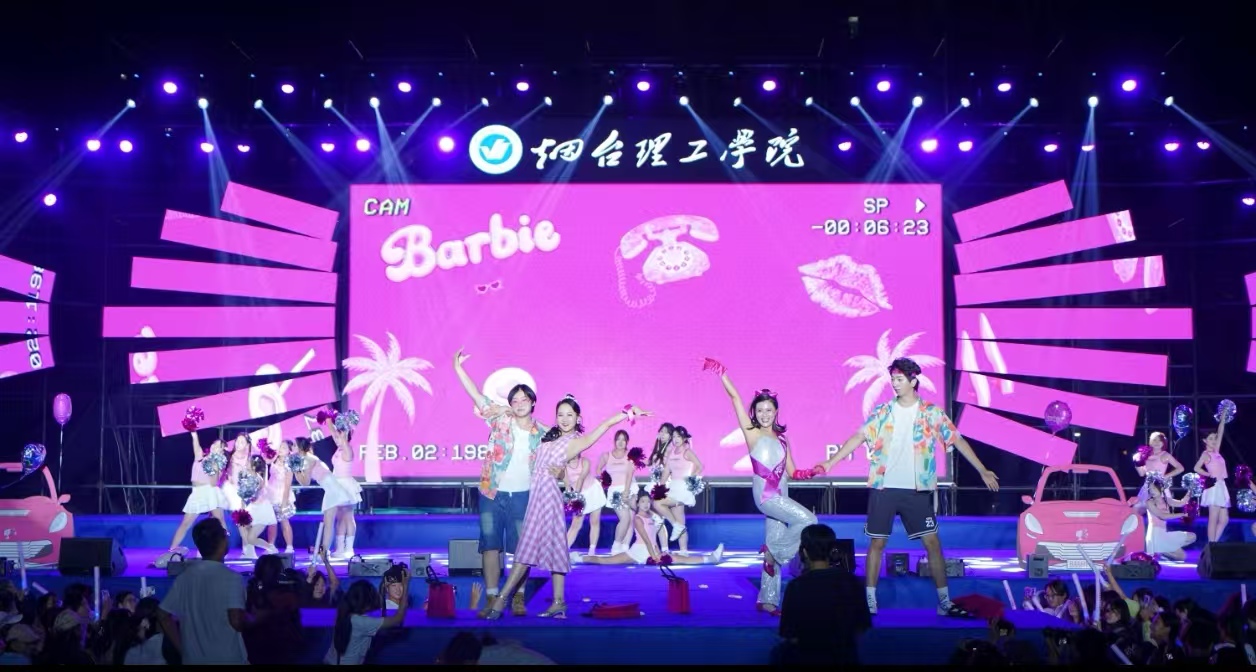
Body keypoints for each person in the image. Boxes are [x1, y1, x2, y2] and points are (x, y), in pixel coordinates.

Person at [817, 357, 1000, 617]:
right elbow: (859, 436)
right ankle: (869, 600)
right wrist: (830, 462)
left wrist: (982, 469)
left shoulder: (931, 412)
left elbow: (957, 439)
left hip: (916, 490)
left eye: (899, 379)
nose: (894, 383)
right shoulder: (883, 411)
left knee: (932, 543)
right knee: (877, 544)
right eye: (893, 379)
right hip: (884, 487)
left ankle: (944, 602)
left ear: (913, 381)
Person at [485, 395, 651, 620]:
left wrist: (628, 412)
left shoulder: (576, 441)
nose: (564, 419)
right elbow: (528, 421)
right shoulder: (551, 436)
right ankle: (558, 602)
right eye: (560, 414)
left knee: (525, 550)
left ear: (578, 418)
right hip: (536, 495)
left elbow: (604, 425)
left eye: (569, 415)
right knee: (555, 549)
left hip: (547, 497)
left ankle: (501, 600)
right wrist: (505, 409)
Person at [711, 362, 818, 615]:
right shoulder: (752, 433)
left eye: (769, 410)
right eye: (759, 410)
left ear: (776, 411)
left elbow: (792, 471)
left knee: (776, 539)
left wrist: (809, 472)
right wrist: (723, 374)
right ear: (754, 412)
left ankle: (768, 600)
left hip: (782, 493)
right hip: (766, 495)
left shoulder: (783, 439)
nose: (764, 414)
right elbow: (735, 398)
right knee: (809, 520)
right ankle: (774, 554)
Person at [453, 349, 545, 618]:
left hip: (523, 496)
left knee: (522, 549)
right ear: (509, 404)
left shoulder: (543, 432)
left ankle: (518, 596)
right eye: (514, 400)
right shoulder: (499, 418)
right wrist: (458, 368)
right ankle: (492, 597)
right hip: (491, 493)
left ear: (533, 402)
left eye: (524, 399)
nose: (519, 403)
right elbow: (476, 395)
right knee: (490, 545)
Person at [157, 517, 250, 664]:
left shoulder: (184, 577)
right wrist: (259, 617)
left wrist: (182, 649)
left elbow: (163, 614)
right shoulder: (232, 578)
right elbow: (236, 621)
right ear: (222, 542)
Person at [775, 523, 871, 665]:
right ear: (833, 551)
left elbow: (789, 634)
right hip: (844, 658)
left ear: (804, 552)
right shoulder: (852, 582)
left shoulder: (796, 586)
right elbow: (862, 626)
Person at [571, 490, 724, 566]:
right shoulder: (637, 518)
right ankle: (578, 558)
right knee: (606, 561)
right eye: (642, 502)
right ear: (638, 503)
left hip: (650, 549)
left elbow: (654, 537)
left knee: (678, 558)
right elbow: (646, 539)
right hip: (639, 550)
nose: (646, 504)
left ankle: (711, 558)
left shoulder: (652, 515)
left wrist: (658, 551)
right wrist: (654, 555)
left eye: (647, 501)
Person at [162, 432, 227, 565]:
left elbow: (213, 483)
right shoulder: (200, 456)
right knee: (185, 523)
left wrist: (215, 467)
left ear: (222, 451)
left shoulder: (219, 463)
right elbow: (195, 443)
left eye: (219, 446)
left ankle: (223, 550)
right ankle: (171, 551)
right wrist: (193, 432)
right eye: (214, 444)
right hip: (197, 493)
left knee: (219, 522)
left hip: (210, 492)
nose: (215, 447)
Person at [326, 578, 408, 665]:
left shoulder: (341, 613)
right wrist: (405, 585)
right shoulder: (362, 622)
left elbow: (377, 605)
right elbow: (398, 618)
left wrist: (382, 588)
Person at [652, 425, 703, 554]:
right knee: (680, 519)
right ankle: (683, 551)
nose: (675, 439)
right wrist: (660, 487)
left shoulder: (687, 451)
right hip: (673, 487)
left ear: (684, 438)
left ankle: (676, 526)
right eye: (674, 436)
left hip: (682, 488)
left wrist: (691, 479)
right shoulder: (671, 452)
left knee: (657, 504)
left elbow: (699, 466)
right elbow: (666, 471)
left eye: (678, 436)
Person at [597, 430, 639, 554]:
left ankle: (625, 548)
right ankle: (616, 545)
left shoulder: (630, 456)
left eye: (623, 440)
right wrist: (604, 479)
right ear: (614, 441)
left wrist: (626, 491)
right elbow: (599, 469)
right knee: (624, 518)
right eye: (618, 439)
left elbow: (630, 474)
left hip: (630, 489)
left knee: (630, 520)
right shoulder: (606, 455)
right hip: (615, 492)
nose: (620, 442)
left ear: (627, 442)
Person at [1136, 474, 1196, 560]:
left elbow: (1182, 502)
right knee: (1182, 556)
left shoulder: (1167, 500)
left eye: (1154, 488)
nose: (1152, 491)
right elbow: (1162, 516)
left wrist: (1191, 489)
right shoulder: (1150, 502)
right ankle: (1160, 551)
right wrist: (1182, 514)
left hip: (1164, 534)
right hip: (1155, 536)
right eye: (1150, 489)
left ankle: (1162, 552)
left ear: (1160, 488)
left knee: (1192, 538)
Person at [327, 425, 363, 559]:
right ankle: (340, 548)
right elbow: (333, 432)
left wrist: (344, 434)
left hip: (346, 486)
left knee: (348, 516)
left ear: (346, 435)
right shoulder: (339, 447)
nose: (336, 439)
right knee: (340, 517)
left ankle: (349, 549)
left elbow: (343, 438)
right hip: (337, 485)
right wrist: (328, 420)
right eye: (336, 437)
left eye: (339, 436)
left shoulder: (348, 449)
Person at [563, 450, 607, 555]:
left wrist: (576, 496)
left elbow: (581, 479)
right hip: (578, 494)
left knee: (594, 521)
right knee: (575, 524)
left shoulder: (584, 461)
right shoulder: (564, 466)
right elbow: (567, 484)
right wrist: (571, 498)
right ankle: (564, 550)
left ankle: (592, 550)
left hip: (593, 491)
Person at [1193, 417, 1230, 542]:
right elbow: (1196, 468)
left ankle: (1214, 543)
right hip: (1214, 487)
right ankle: (1211, 546)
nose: (1214, 440)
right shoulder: (1206, 454)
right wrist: (1208, 475)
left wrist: (1223, 418)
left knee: (1224, 519)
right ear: (1205, 441)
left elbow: (1220, 432)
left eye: (1215, 438)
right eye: (1211, 438)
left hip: (1221, 485)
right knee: (1213, 518)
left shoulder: (1216, 452)